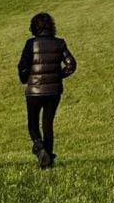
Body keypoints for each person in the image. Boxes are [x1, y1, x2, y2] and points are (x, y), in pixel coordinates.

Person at [18, 12, 77, 170]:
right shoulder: (59, 43)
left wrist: (25, 79)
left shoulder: (31, 44)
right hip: (54, 90)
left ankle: (40, 148)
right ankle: (48, 157)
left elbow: (23, 66)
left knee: (32, 124)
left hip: (34, 90)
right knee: (48, 124)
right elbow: (71, 64)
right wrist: (59, 75)